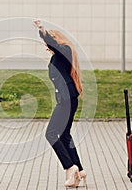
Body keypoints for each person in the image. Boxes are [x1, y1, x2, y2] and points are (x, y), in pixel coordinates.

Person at [34, 20, 87, 187]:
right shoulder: (61, 54)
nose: (46, 47)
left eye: (49, 43)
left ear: (56, 40)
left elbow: (53, 45)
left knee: (51, 134)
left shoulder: (65, 51)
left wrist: (43, 31)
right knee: (64, 135)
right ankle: (79, 169)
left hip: (66, 101)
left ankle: (70, 168)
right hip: (68, 99)